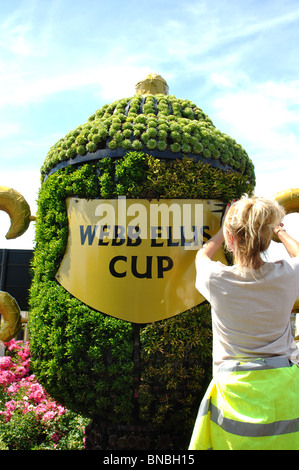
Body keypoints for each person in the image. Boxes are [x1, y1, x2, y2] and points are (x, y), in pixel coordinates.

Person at [189, 194, 299, 450]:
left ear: (230, 238)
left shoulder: (215, 278)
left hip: (233, 391)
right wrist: (279, 232)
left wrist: (223, 228)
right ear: (265, 239)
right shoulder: (287, 274)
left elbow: (202, 254)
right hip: (284, 388)